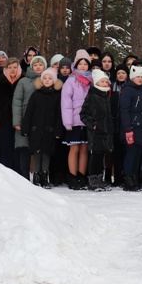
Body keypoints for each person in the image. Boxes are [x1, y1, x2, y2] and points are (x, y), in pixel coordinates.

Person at [23, 67, 65, 189]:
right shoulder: (36, 95)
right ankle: (36, 174)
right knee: (37, 151)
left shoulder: (57, 96)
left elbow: (59, 115)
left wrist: (58, 130)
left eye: (50, 78)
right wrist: (26, 128)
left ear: (54, 81)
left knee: (46, 152)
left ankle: (44, 175)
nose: (47, 80)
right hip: (36, 128)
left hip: (49, 129)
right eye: (44, 78)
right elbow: (29, 112)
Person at [62, 50, 94, 189]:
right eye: (80, 63)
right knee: (74, 148)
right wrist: (68, 122)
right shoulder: (71, 81)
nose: (83, 66)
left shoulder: (92, 80)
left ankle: (82, 175)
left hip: (87, 121)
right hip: (74, 121)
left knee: (84, 148)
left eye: (85, 64)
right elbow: (66, 103)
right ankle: (72, 176)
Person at [118, 65, 142, 191]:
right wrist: (127, 128)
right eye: (138, 76)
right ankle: (128, 179)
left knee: (138, 154)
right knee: (131, 154)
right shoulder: (127, 90)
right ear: (132, 77)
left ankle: (135, 178)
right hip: (132, 127)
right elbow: (124, 111)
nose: (140, 79)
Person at [0, 57, 24, 174]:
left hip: (20, 121)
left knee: (18, 150)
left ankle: (18, 176)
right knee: (5, 149)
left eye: (15, 67)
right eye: (10, 67)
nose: (12, 70)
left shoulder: (23, 81)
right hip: (3, 121)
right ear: (6, 69)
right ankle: (6, 177)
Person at [81, 69, 115, 190]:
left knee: (102, 157)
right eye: (102, 81)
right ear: (96, 82)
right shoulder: (92, 95)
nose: (105, 83)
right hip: (96, 133)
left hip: (106, 132)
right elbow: (83, 114)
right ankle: (93, 179)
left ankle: (100, 178)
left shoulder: (106, 96)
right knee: (95, 156)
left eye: (106, 81)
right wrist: (92, 125)